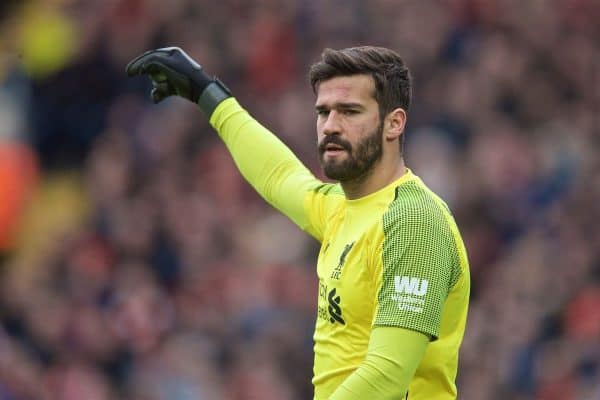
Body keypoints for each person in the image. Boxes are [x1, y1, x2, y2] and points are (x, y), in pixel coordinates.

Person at [126, 45, 470, 400]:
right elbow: (278, 175)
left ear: (394, 123)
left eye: (350, 111)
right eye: (324, 112)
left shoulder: (414, 222)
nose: (331, 126)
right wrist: (206, 94)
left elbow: (387, 376)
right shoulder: (343, 208)